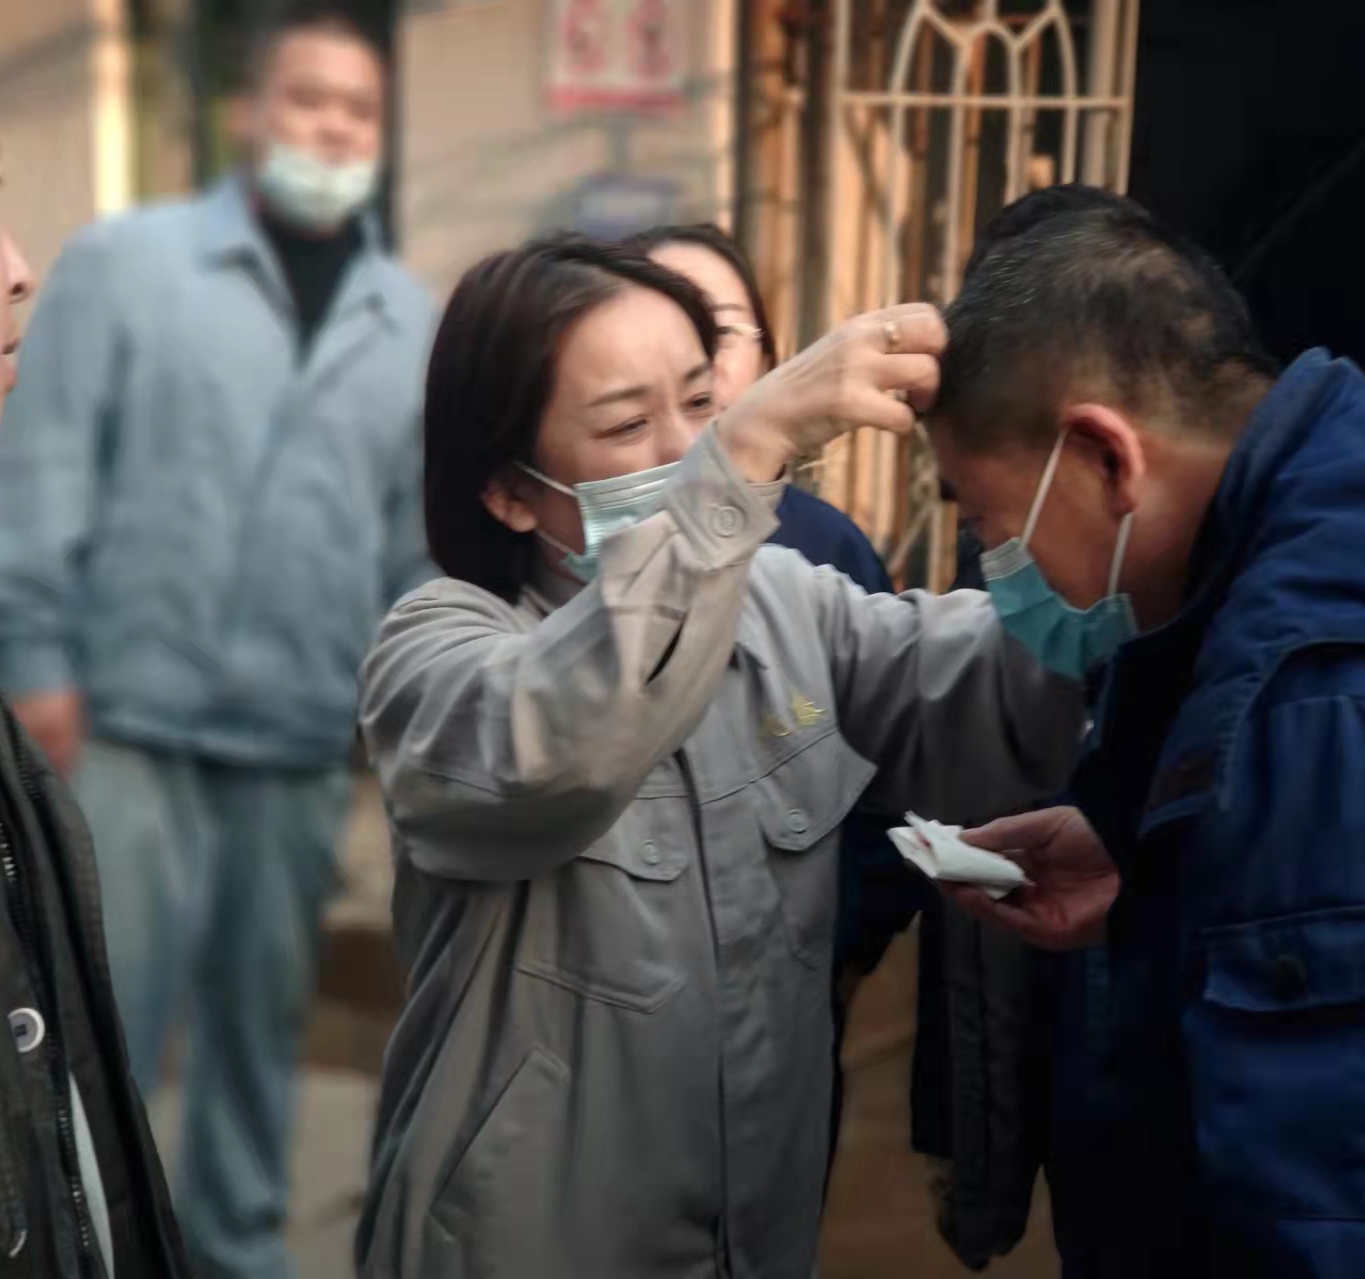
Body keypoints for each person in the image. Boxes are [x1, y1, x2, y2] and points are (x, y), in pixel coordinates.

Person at [932, 184, 1365, 1273]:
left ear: (1107, 456)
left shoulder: (1337, 717)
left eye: (989, 521)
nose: (996, 568)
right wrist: (1159, 861)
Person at [352, 235, 1081, 1279]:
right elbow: (562, 737)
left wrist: (1083, 533)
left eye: (702, 402)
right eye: (627, 423)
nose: (689, 448)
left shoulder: (779, 603)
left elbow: (980, 684)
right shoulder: (437, 651)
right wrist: (740, 455)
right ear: (510, 491)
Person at [0, 7, 437, 1276]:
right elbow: (45, 465)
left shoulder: (403, 315)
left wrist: (417, 705)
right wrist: (33, 664)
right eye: (306, 99)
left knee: (256, 1034)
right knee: (95, 1021)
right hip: (125, 724)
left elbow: (410, 540)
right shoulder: (130, 267)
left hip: (295, 741)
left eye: (358, 109)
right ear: (247, 116)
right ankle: (86, 1246)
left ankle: (233, 1249)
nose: (331, 128)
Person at [0, 49, 187, 1277]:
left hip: (268, 733)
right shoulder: (49, 384)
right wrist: (39, 675)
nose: (18, 265)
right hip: (114, 725)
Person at [630, 221, 931, 1180]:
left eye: (717, 328)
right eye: (660, 326)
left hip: (788, 1001)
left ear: (766, 353)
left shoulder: (825, 549)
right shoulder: (587, 541)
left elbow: (889, 772)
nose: (695, 360)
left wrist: (843, 947)